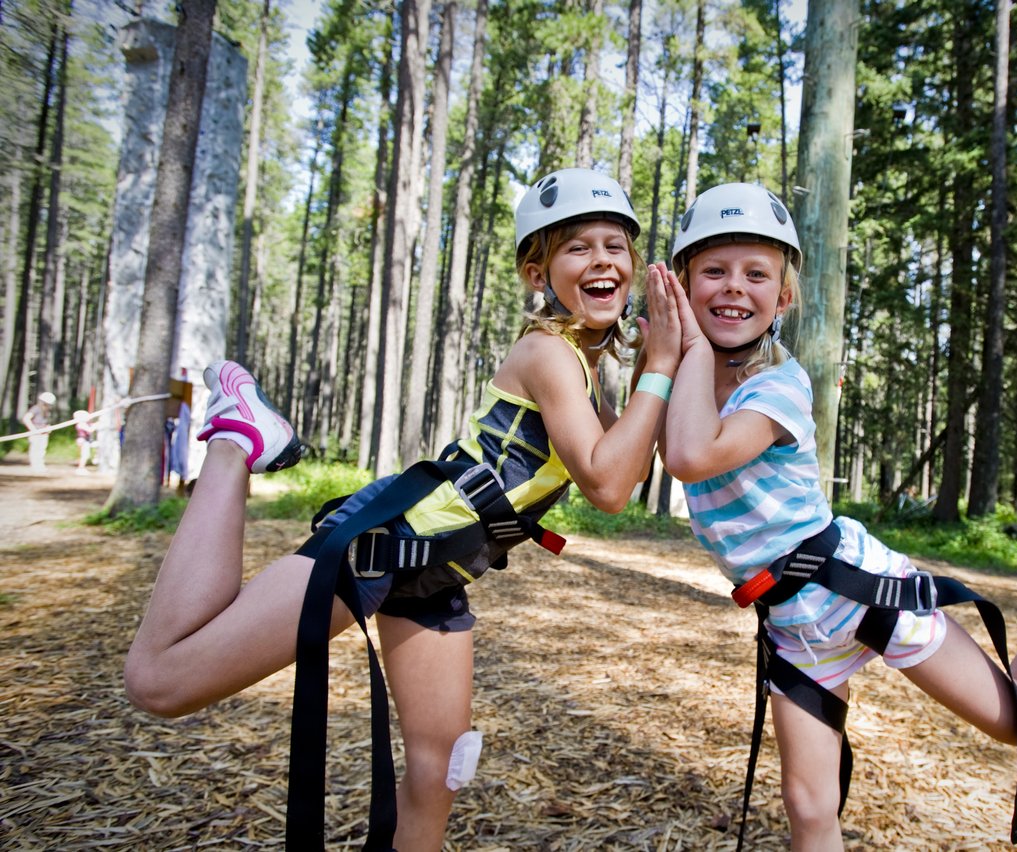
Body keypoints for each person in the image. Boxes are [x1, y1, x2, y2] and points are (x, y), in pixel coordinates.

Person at [124, 168, 684, 851]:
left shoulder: (588, 377)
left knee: (441, 765)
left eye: (615, 245)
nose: (602, 259)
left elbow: (629, 462)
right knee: (159, 682)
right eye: (578, 247)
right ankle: (237, 439)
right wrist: (659, 364)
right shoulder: (547, 353)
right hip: (384, 543)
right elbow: (607, 485)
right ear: (539, 273)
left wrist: (679, 364)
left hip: (437, 572)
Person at [656, 183, 1017, 850]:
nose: (732, 289)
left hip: (854, 589)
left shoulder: (778, 385)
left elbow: (690, 455)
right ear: (682, 284)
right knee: (809, 807)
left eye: (756, 274)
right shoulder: (681, 382)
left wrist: (680, 348)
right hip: (792, 626)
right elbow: (625, 458)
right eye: (713, 271)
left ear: (783, 298)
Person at [21, 392, 56, 472]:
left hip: (43, 434)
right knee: (35, 449)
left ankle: (40, 464)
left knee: (41, 450)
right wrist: (34, 430)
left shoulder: (46, 411)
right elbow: (26, 418)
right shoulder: (36, 408)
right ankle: (35, 465)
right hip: (36, 433)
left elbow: (44, 422)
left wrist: (48, 428)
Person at [73, 410, 97, 474]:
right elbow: (90, 430)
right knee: (84, 455)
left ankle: (81, 467)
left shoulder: (83, 424)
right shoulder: (80, 424)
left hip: (84, 440)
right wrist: (95, 425)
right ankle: (81, 468)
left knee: (85, 454)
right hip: (82, 440)